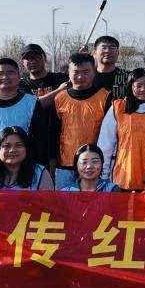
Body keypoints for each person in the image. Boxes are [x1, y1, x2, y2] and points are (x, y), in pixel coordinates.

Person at [98, 68, 145, 191]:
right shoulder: (117, 108)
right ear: (130, 87)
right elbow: (105, 145)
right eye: (138, 85)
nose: (143, 89)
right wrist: (103, 176)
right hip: (122, 178)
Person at [48, 52, 112, 190]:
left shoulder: (105, 97)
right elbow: (53, 133)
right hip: (65, 165)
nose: (80, 77)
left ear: (94, 72)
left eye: (85, 72)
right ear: (69, 73)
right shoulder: (59, 98)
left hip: (95, 166)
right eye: (76, 72)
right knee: (64, 203)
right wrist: (53, 164)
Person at [0, 126, 54, 190]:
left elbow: (48, 200)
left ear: (26, 148)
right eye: (7, 146)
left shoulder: (40, 173)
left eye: (18, 145)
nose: (12, 150)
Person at [91, 35, 130, 101]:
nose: (108, 51)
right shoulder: (86, 77)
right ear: (94, 52)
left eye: (112, 47)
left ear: (118, 53)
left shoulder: (128, 77)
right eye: (103, 48)